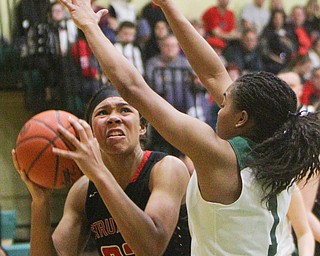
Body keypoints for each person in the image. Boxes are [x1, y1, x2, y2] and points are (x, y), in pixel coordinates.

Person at [59, 0, 320, 255]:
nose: (219, 107)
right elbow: (213, 75)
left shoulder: (218, 156)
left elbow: (133, 89)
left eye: (225, 103)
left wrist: (90, 28)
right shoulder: (278, 143)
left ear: (241, 119)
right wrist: (169, 7)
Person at [12, 85, 191, 255]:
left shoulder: (167, 169)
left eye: (125, 110)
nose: (114, 118)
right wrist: (40, 203)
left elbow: (151, 248)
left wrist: (99, 175)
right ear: (92, 132)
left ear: (142, 127)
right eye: (103, 112)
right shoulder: (84, 191)